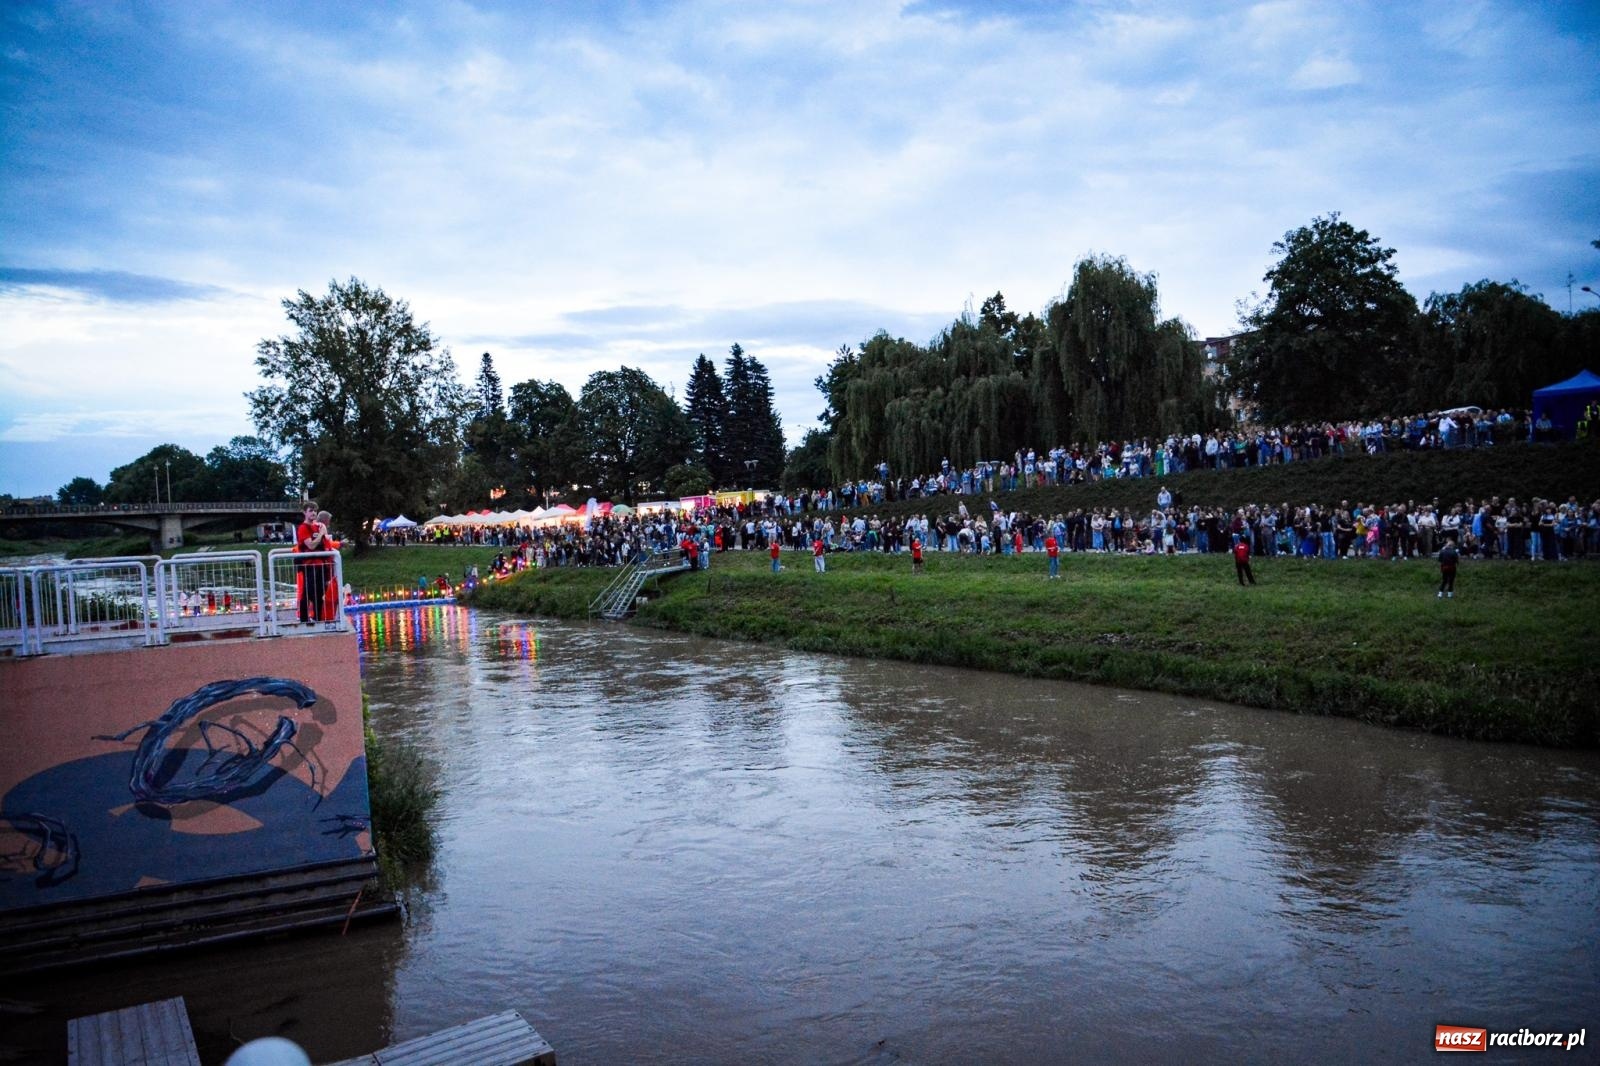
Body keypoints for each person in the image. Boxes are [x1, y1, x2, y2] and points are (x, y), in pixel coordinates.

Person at [296, 506, 330, 623]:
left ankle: (318, 618)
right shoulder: (303, 528)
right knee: (309, 593)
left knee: (319, 593)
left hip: (320, 565)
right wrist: (321, 534)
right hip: (309, 565)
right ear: (304, 513)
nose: (313, 513)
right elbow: (311, 545)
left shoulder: (318, 526)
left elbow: (325, 543)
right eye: (310, 511)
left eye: (315, 511)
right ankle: (305, 619)